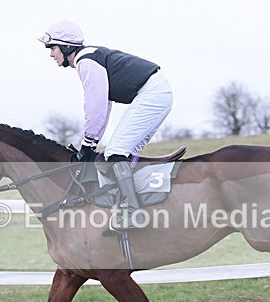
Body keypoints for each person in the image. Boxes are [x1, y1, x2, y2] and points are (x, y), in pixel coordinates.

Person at [39, 20, 173, 230]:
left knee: (116, 152)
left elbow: (96, 107)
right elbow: (104, 106)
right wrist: (92, 143)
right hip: (155, 93)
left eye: (52, 48)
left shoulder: (86, 62)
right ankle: (132, 204)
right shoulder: (89, 58)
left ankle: (133, 213)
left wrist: (87, 144)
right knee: (120, 153)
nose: (51, 54)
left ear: (66, 47)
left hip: (152, 94)